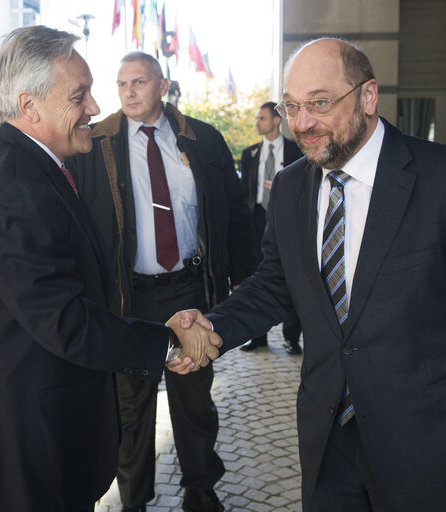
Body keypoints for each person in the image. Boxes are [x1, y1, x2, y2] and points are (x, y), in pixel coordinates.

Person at [0, 26, 220, 512]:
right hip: (24, 459)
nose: (95, 108)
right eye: (80, 95)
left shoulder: (34, 168)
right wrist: (167, 341)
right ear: (30, 107)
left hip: (45, 443)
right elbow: (67, 322)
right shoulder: (18, 187)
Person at [179, 37, 446, 512]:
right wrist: (212, 327)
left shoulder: (437, 177)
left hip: (422, 438)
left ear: (367, 96)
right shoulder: (290, 186)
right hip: (328, 436)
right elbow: (276, 285)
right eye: (292, 106)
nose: (303, 124)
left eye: (320, 103)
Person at [66, 51, 254, 512]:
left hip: (190, 291)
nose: (129, 91)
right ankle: (134, 500)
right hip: (128, 297)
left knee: (195, 403)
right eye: (122, 83)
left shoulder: (204, 140)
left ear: (163, 86)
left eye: (140, 82)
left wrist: (243, 285)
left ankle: (200, 489)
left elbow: (235, 214)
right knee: (131, 409)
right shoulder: (97, 143)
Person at [239, 101, 303, 354]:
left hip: (286, 221)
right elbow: (244, 192)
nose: (257, 123)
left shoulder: (296, 150)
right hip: (255, 223)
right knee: (256, 279)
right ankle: (257, 336)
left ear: (277, 120)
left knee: (291, 277)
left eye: (262, 118)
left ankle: (292, 337)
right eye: (257, 119)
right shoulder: (250, 153)